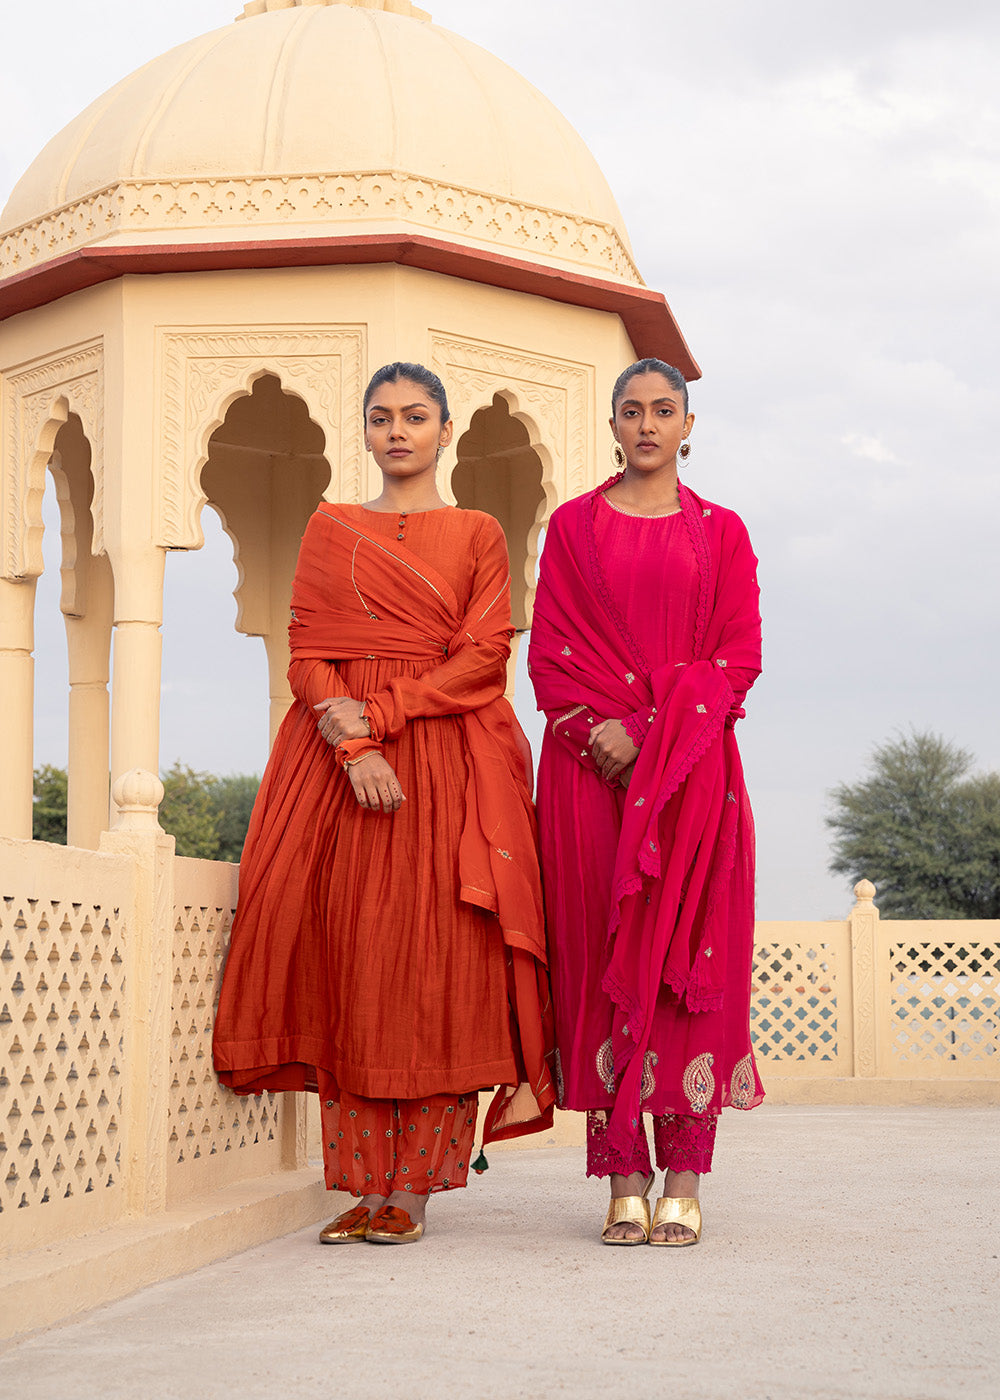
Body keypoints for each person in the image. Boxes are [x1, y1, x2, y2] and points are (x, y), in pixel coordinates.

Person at [213, 362, 554, 1245]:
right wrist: (354, 743)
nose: (396, 430)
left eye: (414, 416)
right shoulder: (331, 528)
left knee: (436, 956)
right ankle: (361, 1186)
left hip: (442, 759)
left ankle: (415, 1189)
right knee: (354, 954)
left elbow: (485, 656)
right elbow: (306, 651)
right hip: (338, 766)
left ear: (444, 432)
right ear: (364, 432)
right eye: (380, 417)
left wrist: (389, 712)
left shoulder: (476, 531)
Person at [528, 358, 762, 1246]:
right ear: (614, 427)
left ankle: (686, 1178)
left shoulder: (723, 534)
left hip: (693, 782)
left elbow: (739, 659)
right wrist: (605, 739)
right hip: (590, 782)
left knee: (688, 972)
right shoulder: (575, 529)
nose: (648, 425)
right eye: (632, 411)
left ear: (688, 425)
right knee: (599, 958)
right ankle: (624, 1175)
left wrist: (653, 728)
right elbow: (549, 660)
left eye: (664, 410)